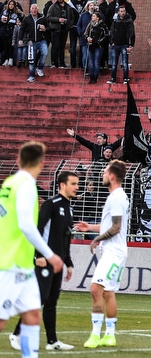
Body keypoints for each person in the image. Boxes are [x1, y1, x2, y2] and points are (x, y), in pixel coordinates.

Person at [0, 142, 65, 358]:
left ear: (19, 161)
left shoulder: (10, 182)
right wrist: (49, 254)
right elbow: (26, 225)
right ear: (41, 163)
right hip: (11, 263)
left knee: (32, 315)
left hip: (21, 263)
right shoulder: (27, 185)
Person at [9, 169, 78, 352]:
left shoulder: (69, 208)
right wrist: (37, 256)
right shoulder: (51, 204)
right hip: (44, 260)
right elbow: (37, 230)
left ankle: (52, 341)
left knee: (52, 301)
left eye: (77, 184)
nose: (76, 187)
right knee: (39, 298)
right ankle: (16, 334)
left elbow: (65, 238)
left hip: (57, 262)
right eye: (73, 183)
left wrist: (68, 262)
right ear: (62, 185)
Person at [73, 160, 129, 349]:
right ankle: (109, 336)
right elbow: (110, 225)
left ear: (112, 176)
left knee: (95, 288)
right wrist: (90, 227)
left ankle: (96, 335)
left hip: (113, 252)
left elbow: (116, 227)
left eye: (105, 172)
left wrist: (97, 238)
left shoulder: (116, 198)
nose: (102, 175)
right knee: (107, 292)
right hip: (114, 251)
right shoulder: (116, 196)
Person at [106, 5, 135, 84]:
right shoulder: (115, 21)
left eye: (124, 11)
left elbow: (132, 33)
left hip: (124, 44)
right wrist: (111, 42)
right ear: (118, 12)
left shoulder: (129, 21)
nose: (123, 13)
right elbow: (111, 32)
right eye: (121, 11)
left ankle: (125, 78)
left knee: (125, 62)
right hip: (115, 44)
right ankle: (113, 78)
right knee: (114, 63)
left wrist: (131, 44)